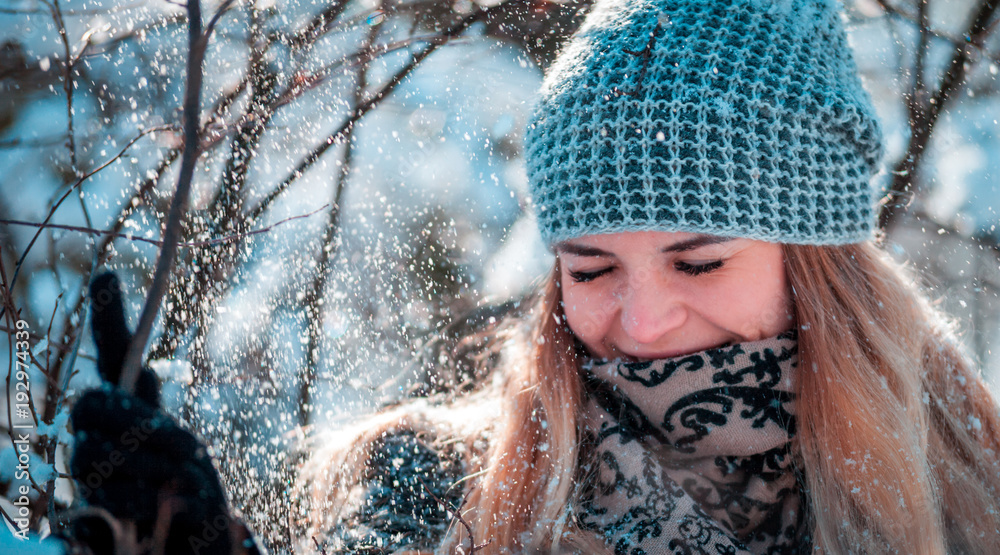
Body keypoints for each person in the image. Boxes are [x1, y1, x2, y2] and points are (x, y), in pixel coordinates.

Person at [60, 0, 1000, 553]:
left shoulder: (973, 497)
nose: (640, 319)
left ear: (821, 269)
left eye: (699, 259)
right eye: (590, 267)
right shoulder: (432, 490)